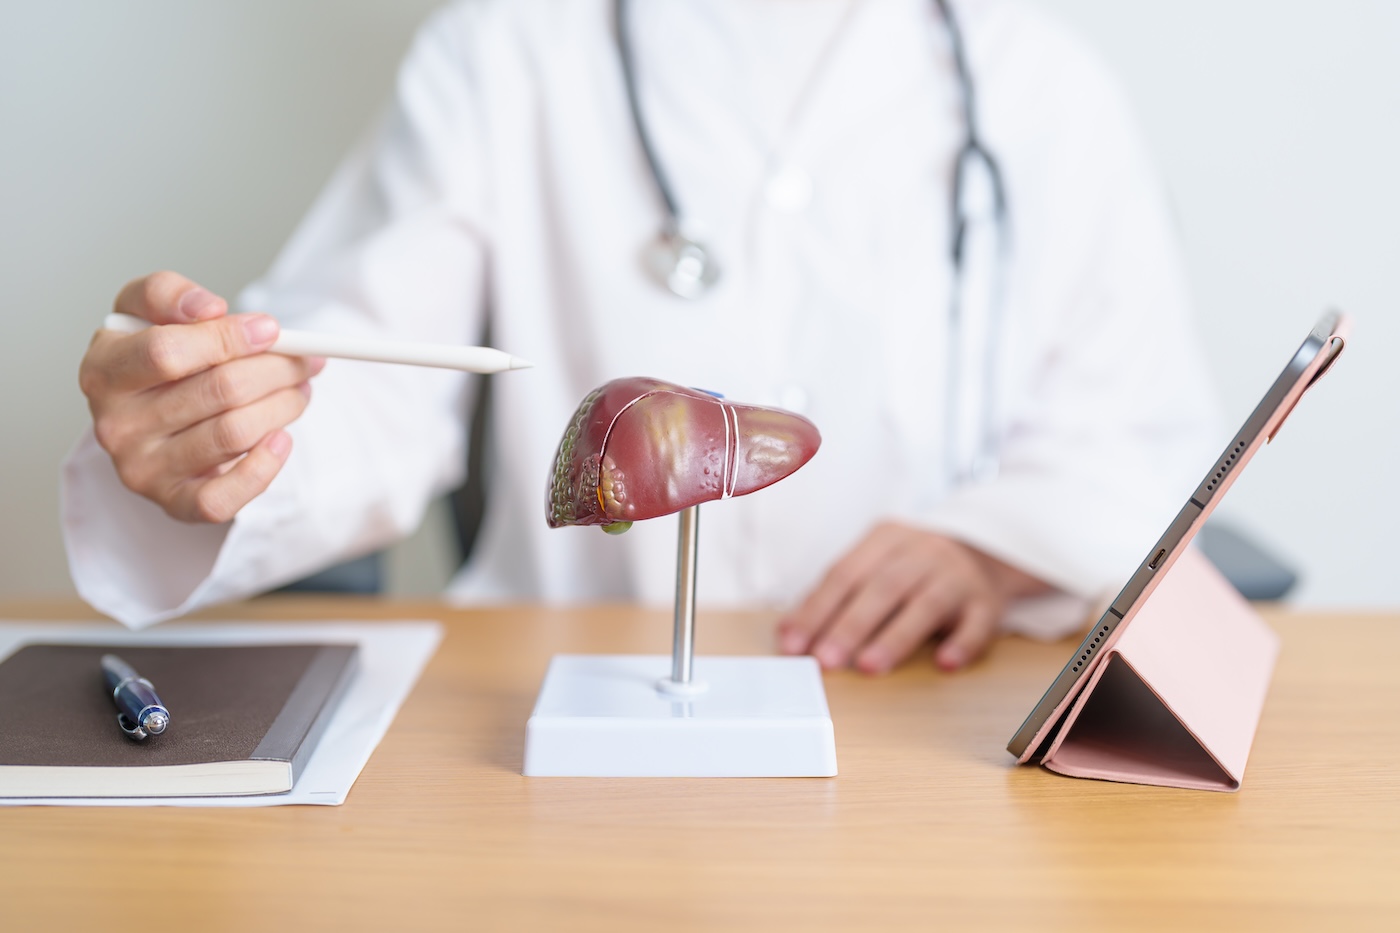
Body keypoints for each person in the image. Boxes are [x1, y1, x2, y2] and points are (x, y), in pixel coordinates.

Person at [64, 0, 1217, 675]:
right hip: (560, 701)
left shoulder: (1036, 79)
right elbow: (358, 384)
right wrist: (220, 433)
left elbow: (1135, 431)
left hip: (918, 707)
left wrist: (990, 548)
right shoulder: (508, 47)